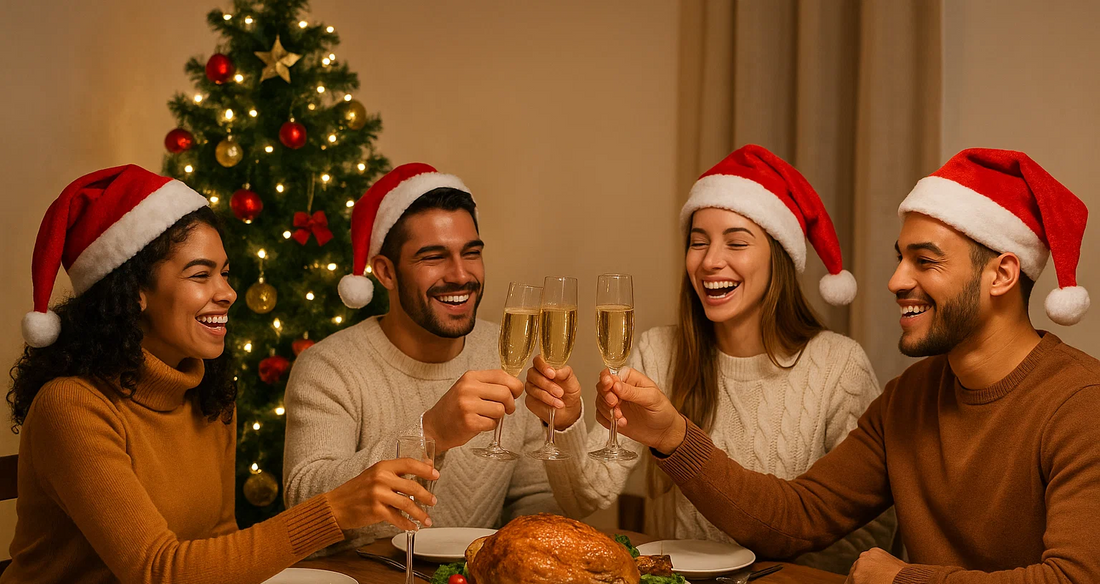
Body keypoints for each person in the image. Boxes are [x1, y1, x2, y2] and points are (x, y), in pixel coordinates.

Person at [595, 149, 1100, 583]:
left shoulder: (1082, 405)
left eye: (924, 261)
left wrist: (904, 578)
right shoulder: (909, 399)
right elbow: (796, 517)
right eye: (900, 258)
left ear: (1002, 275)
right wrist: (675, 438)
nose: (896, 280)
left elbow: (1074, 578)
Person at [2, 166, 438, 584]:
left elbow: (219, 545)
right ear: (133, 291)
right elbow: (159, 572)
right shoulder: (72, 406)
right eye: (201, 275)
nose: (227, 293)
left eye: (225, 274)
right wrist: (334, 511)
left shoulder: (206, 393)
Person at [524, 145, 894, 573]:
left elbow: (867, 536)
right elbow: (584, 497)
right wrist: (566, 421)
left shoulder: (837, 366)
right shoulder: (658, 352)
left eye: (736, 242)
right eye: (698, 243)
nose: (711, 261)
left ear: (779, 257)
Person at [283, 163, 559, 555]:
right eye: (434, 257)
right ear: (385, 272)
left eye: (472, 253)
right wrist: (429, 434)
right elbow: (303, 503)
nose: (461, 275)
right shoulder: (329, 367)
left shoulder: (511, 353)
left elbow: (534, 497)